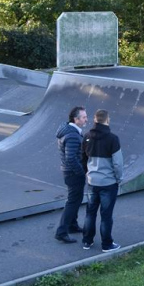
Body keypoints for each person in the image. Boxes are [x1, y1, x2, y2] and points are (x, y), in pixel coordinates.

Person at [82, 109, 123, 252]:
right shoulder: (113, 138)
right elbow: (117, 163)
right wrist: (119, 178)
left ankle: (87, 241)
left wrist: (89, 173)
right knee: (106, 215)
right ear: (107, 119)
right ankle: (106, 244)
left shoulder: (87, 136)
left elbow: (83, 158)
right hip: (108, 183)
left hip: (92, 182)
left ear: (95, 119)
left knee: (90, 212)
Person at [54, 106, 88, 243]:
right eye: (84, 117)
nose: (86, 119)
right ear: (76, 119)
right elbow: (71, 158)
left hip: (69, 172)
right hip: (73, 173)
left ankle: (73, 225)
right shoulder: (73, 136)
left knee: (76, 199)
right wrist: (81, 172)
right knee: (73, 201)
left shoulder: (68, 130)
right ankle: (61, 231)